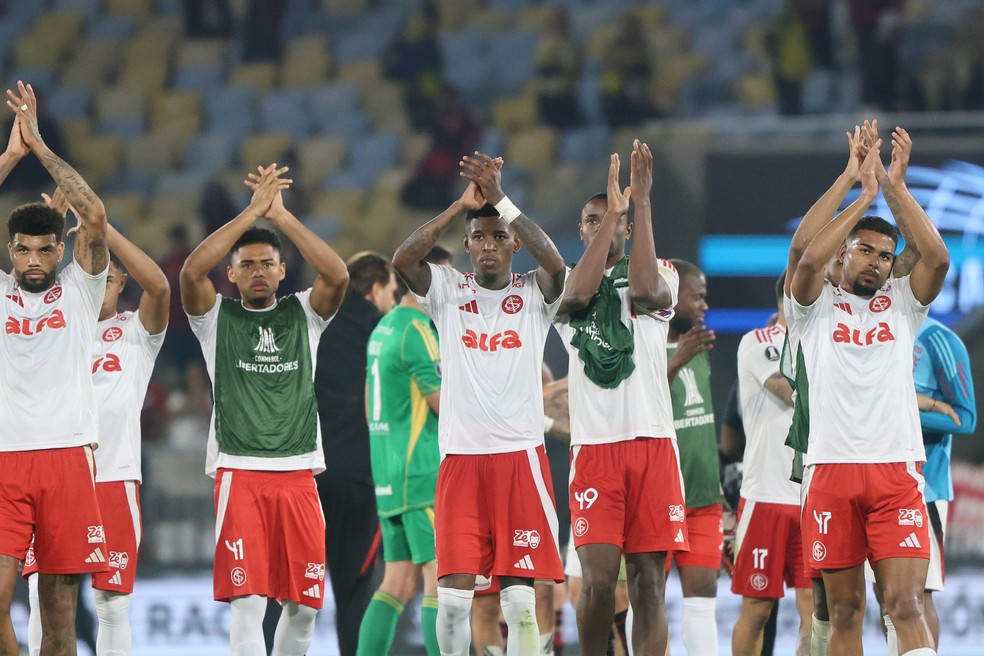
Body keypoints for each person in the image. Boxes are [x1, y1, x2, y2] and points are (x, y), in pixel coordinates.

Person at [392, 150, 567, 655]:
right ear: (466, 246)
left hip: (520, 459)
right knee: (451, 601)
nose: (488, 245)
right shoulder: (447, 289)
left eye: (497, 236)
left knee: (519, 602)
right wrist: (459, 207)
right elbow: (404, 259)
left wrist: (501, 202)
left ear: (513, 242)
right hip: (462, 462)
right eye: (478, 237)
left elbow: (555, 261)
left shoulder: (535, 292)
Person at [788, 122, 949, 655]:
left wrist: (897, 190)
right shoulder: (813, 307)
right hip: (830, 469)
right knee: (845, 613)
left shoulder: (903, 303)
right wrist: (860, 194)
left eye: (885, 256)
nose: (877, 262)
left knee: (903, 605)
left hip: (896, 469)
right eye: (865, 251)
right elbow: (807, 257)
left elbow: (938, 259)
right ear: (844, 255)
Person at [179, 163, 349, 656]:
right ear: (230, 273)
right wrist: (251, 213)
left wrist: (282, 217)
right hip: (241, 473)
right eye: (246, 265)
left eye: (267, 263)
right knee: (248, 601)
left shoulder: (304, 313)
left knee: (305, 608)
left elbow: (337, 273)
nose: (257, 271)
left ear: (282, 269)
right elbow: (192, 270)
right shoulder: (215, 318)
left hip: (299, 474)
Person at [553, 141, 685, 656]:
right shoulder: (565, 283)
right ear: (583, 229)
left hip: (653, 445)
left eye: (605, 219)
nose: (596, 225)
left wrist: (642, 203)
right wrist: (614, 214)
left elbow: (649, 290)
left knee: (650, 585)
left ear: (630, 229)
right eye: (589, 220)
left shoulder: (661, 272)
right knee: (599, 579)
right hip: (596, 450)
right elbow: (580, 299)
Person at [25, 190, 169, 656]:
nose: (99, 286)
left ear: (121, 282)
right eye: (94, 277)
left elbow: (162, 288)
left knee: (111, 604)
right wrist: (52, 232)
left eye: (109, 279)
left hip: (112, 477)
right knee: (40, 598)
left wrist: (100, 229)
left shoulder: (134, 333)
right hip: (54, 475)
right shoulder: (53, 325)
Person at [0, 80, 111, 656]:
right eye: (24, 250)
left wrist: (39, 145)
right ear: (11, 250)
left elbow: (93, 212)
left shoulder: (81, 290)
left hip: (69, 454)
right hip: (5, 460)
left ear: (60, 251)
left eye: (46, 249)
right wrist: (11, 157)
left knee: (61, 617)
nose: (36, 260)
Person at [355, 245, 451, 656]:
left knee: (397, 582)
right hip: (421, 472)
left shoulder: (385, 327)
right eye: (447, 280)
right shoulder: (418, 329)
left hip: (389, 473)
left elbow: (367, 399)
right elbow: (440, 404)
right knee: (438, 579)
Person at [874, 315, 976, 655]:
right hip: (871, 480)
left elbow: (965, 417)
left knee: (916, 596)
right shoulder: (870, 331)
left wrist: (899, 409)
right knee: (883, 597)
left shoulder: (939, 339)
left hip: (922, 488)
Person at [315, 250, 398, 656]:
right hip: (362, 477)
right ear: (376, 289)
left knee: (289, 593)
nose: (394, 301)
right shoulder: (386, 329)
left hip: (305, 476)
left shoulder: (313, 320)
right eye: (393, 292)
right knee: (354, 591)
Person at [730, 272, 813, 656]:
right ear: (790, 295)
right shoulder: (760, 341)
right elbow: (784, 387)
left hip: (814, 499)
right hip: (766, 496)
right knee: (758, 608)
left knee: (817, 611)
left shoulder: (824, 346)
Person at [665, 258, 720, 656]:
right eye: (696, 296)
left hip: (703, 497)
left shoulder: (700, 343)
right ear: (670, 295)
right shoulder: (636, 341)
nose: (703, 305)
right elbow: (631, 403)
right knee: (646, 595)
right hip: (657, 497)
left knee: (702, 598)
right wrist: (674, 361)